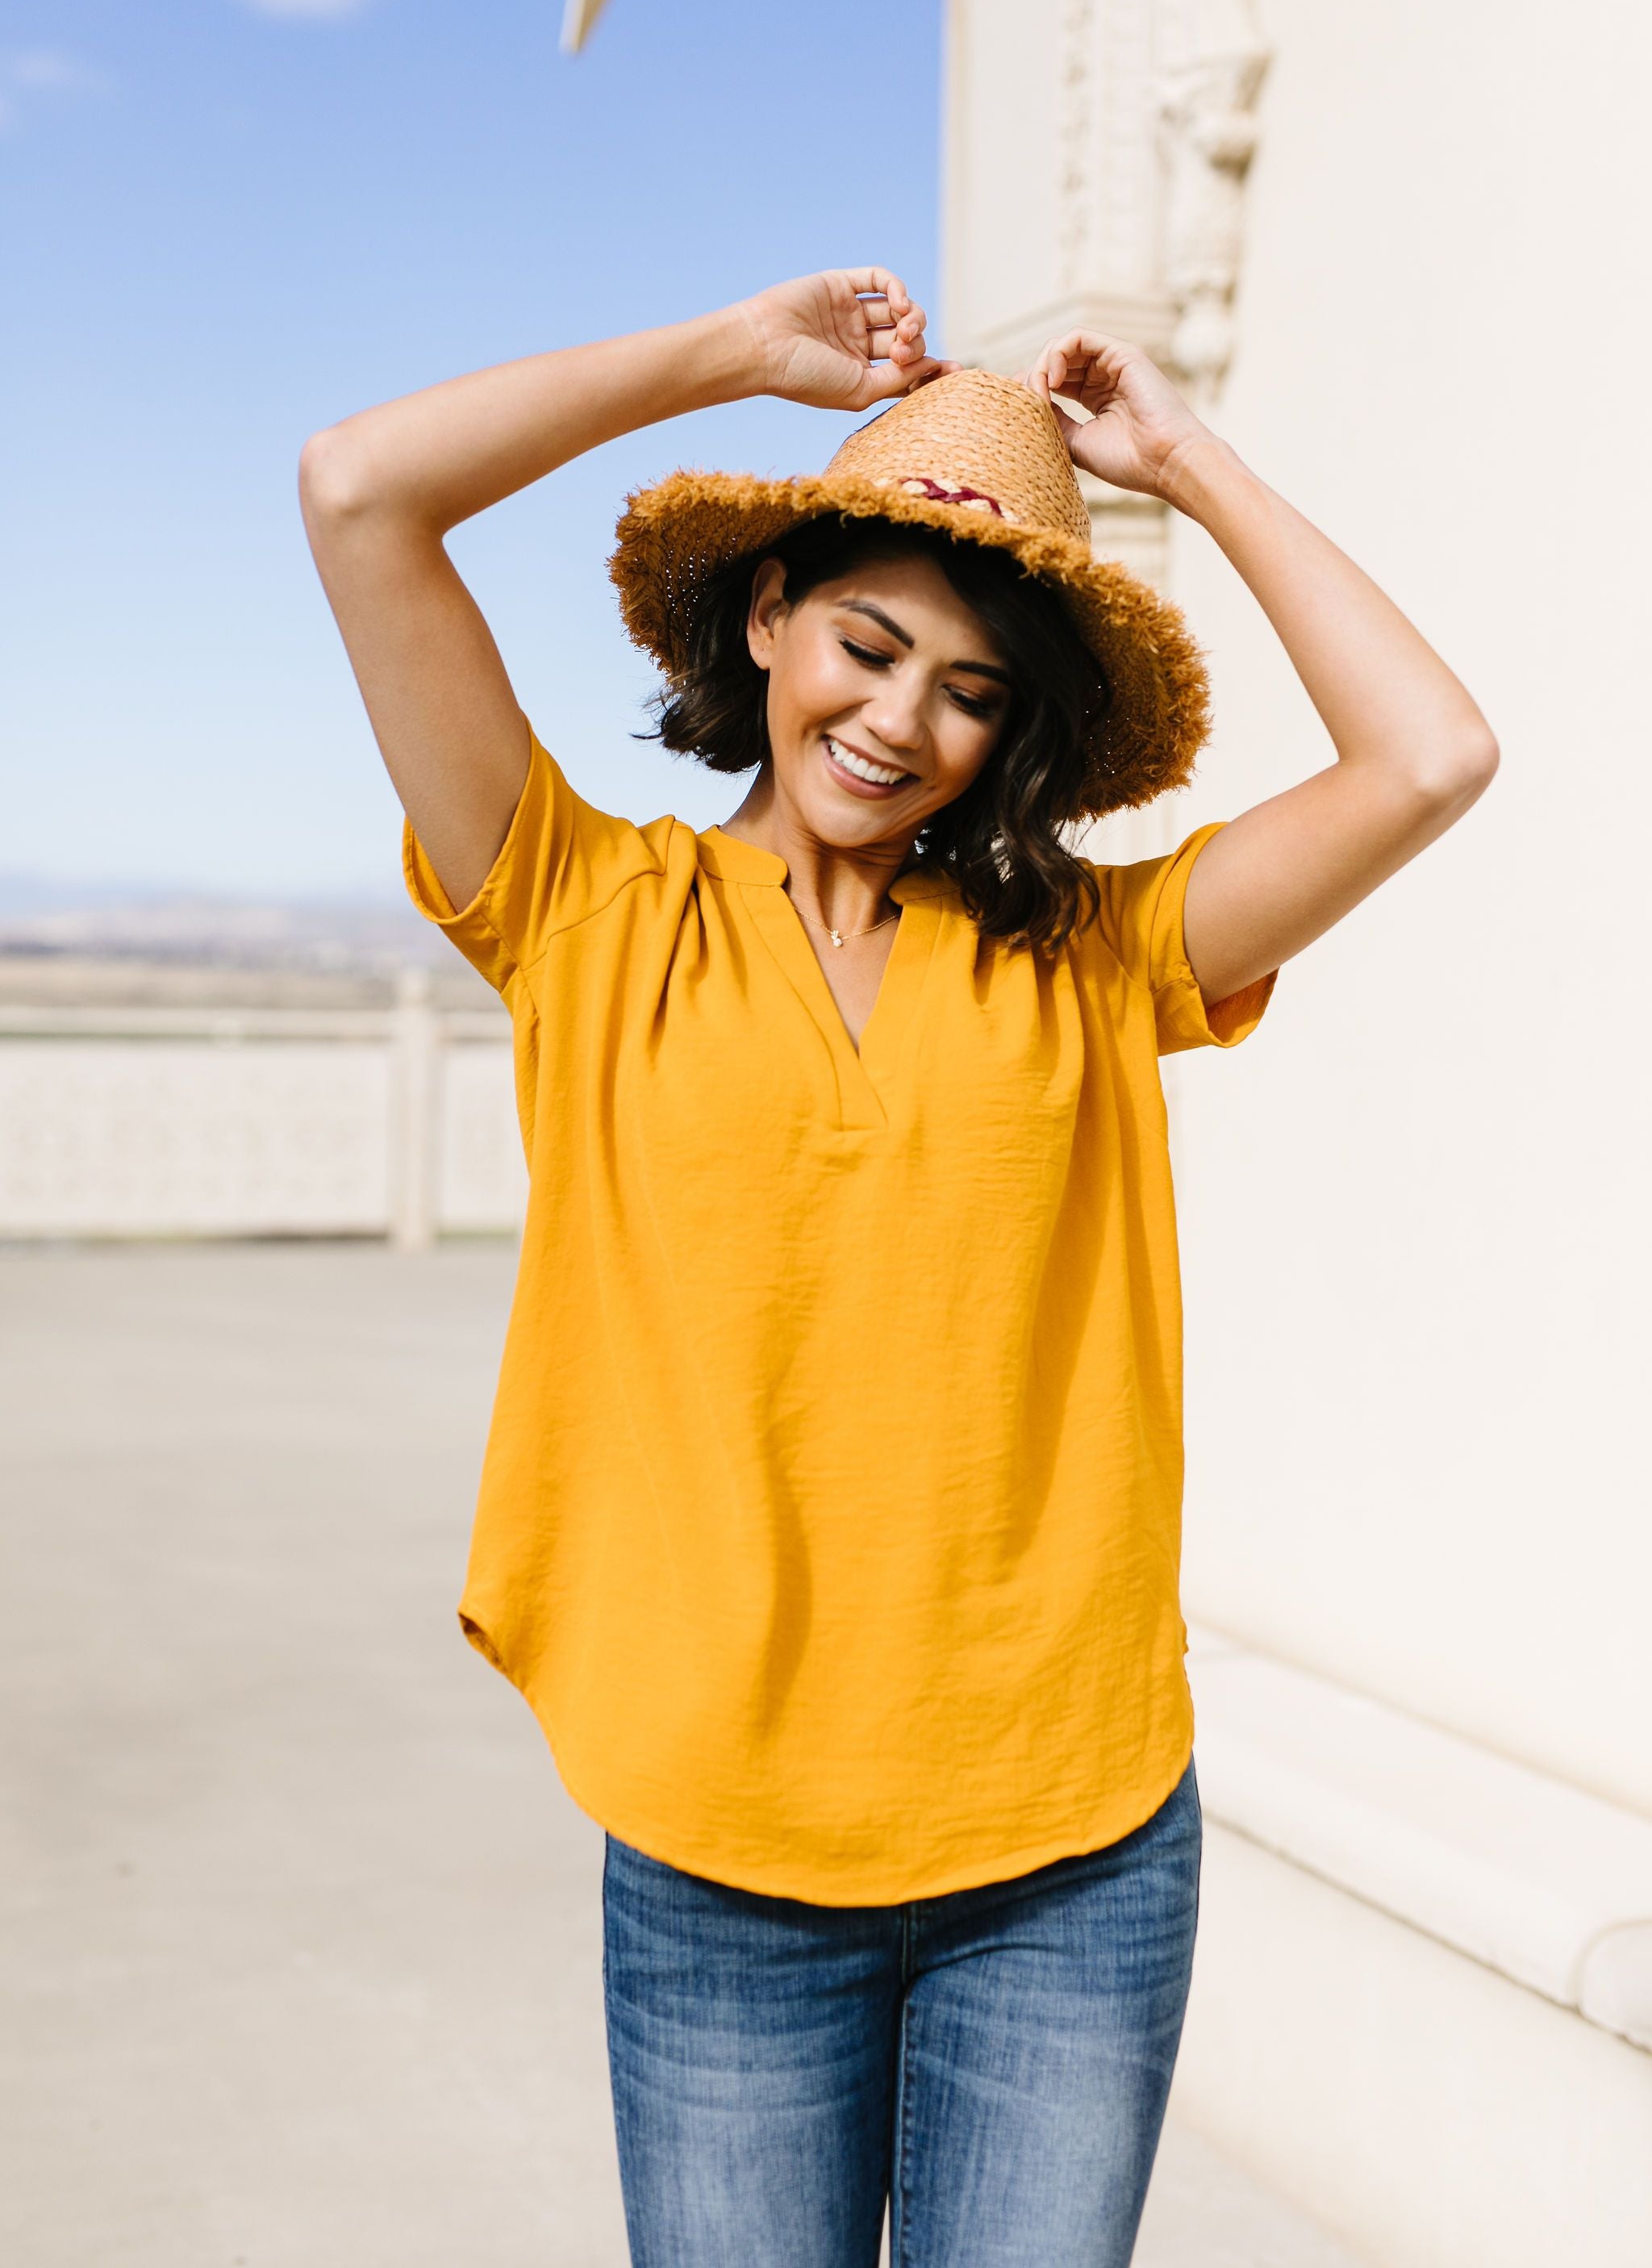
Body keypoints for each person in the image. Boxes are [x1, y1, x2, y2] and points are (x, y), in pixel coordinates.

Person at [298, 267, 1497, 2268]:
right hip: (723, 1846)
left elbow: (1433, 758)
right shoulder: (587, 909)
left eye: (972, 690)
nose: (901, 722)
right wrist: (729, 364)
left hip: (1074, 1848)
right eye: (867, 644)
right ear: (768, 618)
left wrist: (1183, 464)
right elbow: (359, 491)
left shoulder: (1098, 957)